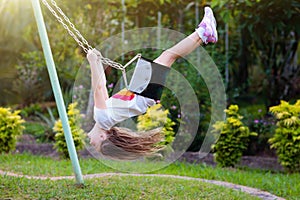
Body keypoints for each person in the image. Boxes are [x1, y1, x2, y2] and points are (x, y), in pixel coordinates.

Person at [87, 7, 218, 160]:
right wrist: (92, 62)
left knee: (169, 56)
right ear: (103, 136)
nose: (91, 142)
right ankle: (203, 33)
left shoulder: (105, 119)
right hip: (141, 92)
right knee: (169, 56)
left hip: (141, 92)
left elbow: (102, 86)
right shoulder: (102, 119)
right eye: (95, 145)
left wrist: (96, 62)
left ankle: (205, 35)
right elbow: (98, 88)